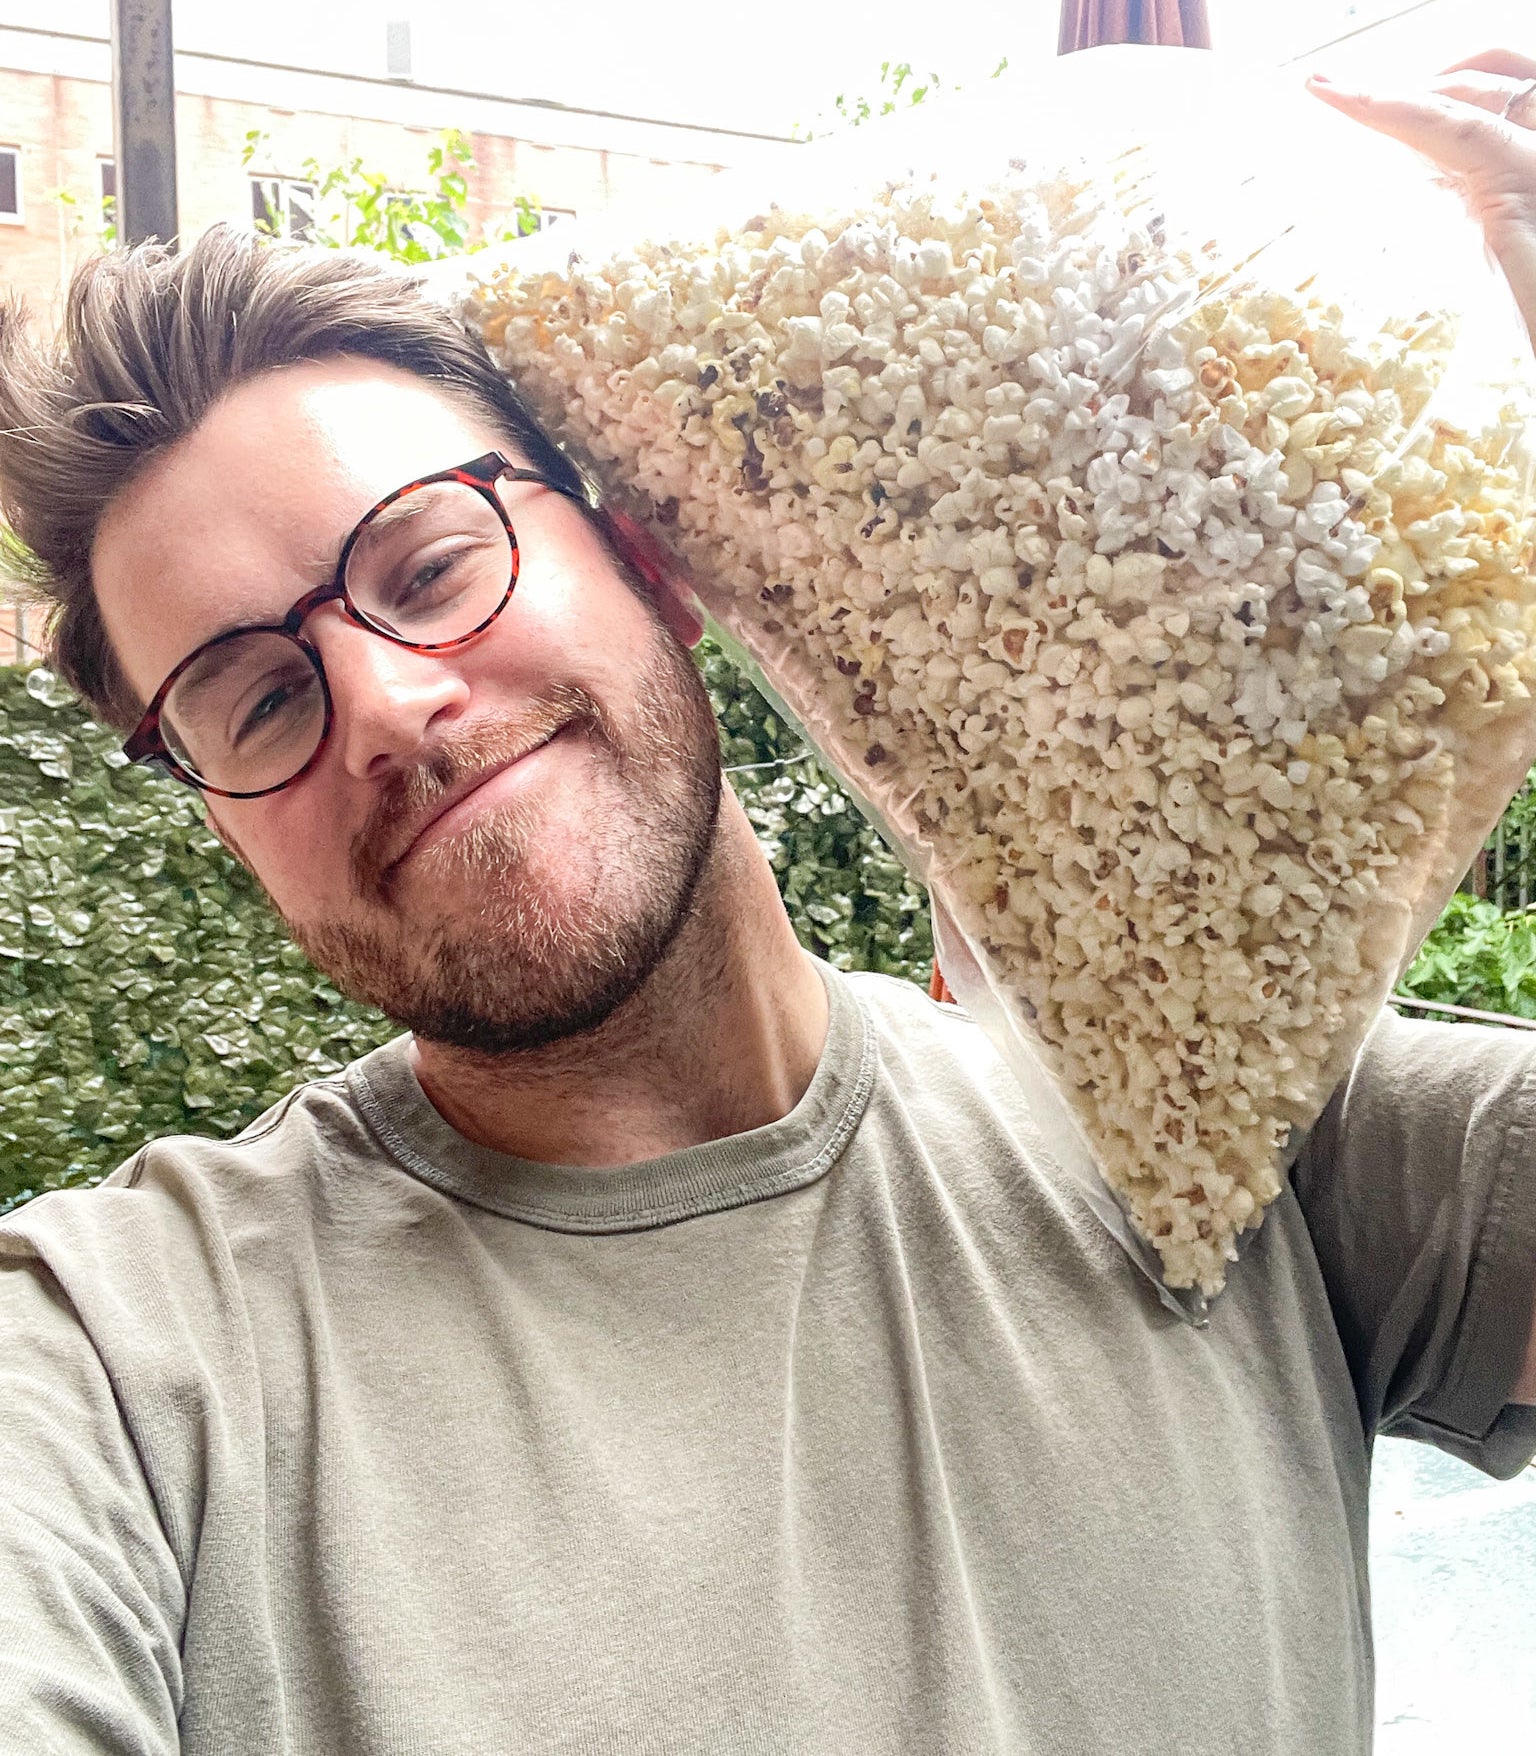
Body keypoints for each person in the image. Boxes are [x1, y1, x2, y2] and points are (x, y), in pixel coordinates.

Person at [0, 49, 1533, 1756]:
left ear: (651, 557)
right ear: (227, 825)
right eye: (254, 703)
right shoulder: (126, 1370)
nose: (383, 708)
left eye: (432, 562)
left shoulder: (1203, 1129)